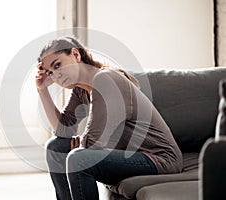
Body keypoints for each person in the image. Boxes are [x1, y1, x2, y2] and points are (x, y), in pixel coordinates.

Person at [35, 37, 183, 200]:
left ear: (75, 54)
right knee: (54, 147)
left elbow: (93, 144)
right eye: (50, 72)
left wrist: (81, 144)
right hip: (127, 154)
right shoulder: (80, 90)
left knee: (78, 159)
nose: (55, 75)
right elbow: (63, 130)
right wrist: (42, 90)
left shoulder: (105, 79)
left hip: (158, 158)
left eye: (57, 65)